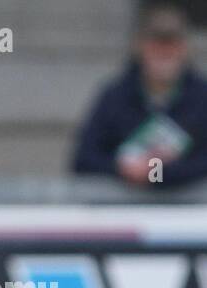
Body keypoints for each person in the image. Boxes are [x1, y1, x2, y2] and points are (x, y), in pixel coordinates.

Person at [73, 2, 207, 188]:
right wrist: (123, 168)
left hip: (189, 212)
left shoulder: (202, 98)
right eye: (156, 45)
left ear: (184, 48)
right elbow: (83, 158)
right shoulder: (114, 96)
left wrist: (160, 170)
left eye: (171, 45)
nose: (164, 53)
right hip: (124, 211)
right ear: (140, 46)